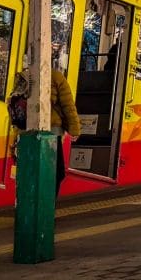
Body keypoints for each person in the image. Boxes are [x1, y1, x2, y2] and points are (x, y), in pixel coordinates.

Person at [50, 68, 81, 198]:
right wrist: (75, 129)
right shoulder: (56, 77)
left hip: (27, 132)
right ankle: (48, 206)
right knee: (57, 172)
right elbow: (68, 105)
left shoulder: (26, 75)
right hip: (52, 132)